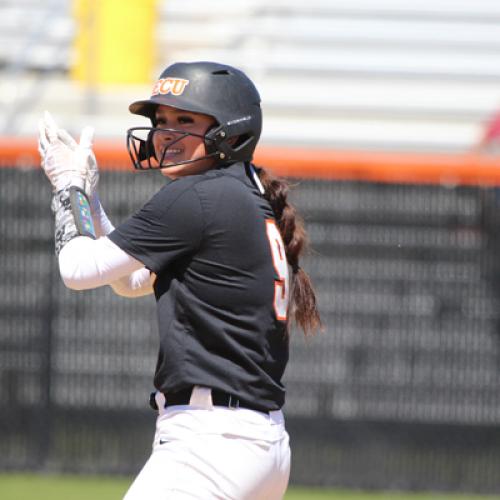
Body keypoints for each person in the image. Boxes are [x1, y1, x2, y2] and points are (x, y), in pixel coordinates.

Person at [38, 61, 321, 499]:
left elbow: (77, 270)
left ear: (229, 129)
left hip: (211, 445)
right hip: (253, 443)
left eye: (185, 120)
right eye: (162, 121)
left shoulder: (199, 195)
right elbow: (131, 278)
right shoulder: (241, 191)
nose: (165, 133)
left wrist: (67, 188)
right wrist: (89, 204)